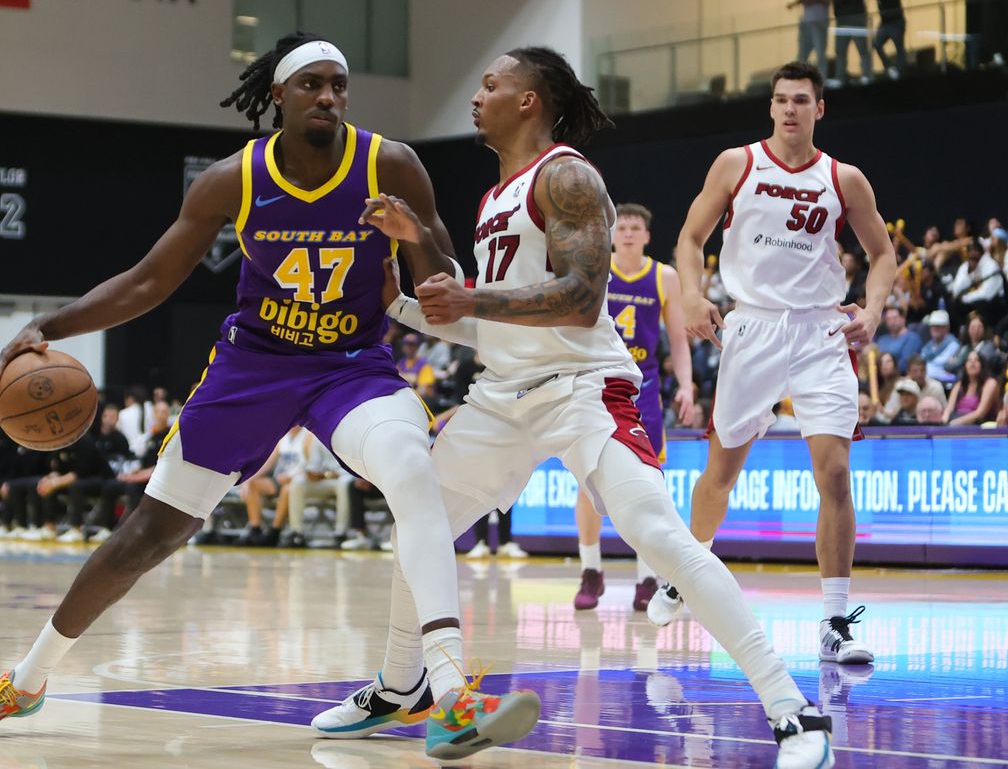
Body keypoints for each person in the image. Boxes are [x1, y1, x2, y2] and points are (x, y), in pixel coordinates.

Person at [0, 32, 538, 760]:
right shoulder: (232, 180)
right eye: (312, 84)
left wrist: (414, 240)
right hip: (253, 366)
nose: (329, 97)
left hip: (351, 365)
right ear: (278, 96)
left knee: (413, 469)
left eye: (339, 85)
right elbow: (147, 283)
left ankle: (448, 694)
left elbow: (445, 281)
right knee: (148, 535)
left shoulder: (390, 164)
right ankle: (24, 682)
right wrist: (45, 324)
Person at [313, 47, 834, 768]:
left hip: (584, 387)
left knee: (659, 534)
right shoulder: (495, 195)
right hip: (501, 397)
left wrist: (469, 296)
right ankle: (402, 686)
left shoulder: (566, 175)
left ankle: (792, 708)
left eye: (491, 84)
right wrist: (402, 302)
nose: (477, 95)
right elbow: (491, 321)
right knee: (419, 520)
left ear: (528, 101)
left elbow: (581, 298)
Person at [652, 61, 895, 672]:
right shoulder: (737, 164)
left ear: (819, 109)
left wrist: (874, 306)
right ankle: (685, 567)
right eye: (781, 100)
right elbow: (689, 237)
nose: (790, 109)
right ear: (771, 108)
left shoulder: (845, 179)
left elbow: (883, 253)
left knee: (835, 474)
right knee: (722, 472)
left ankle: (835, 623)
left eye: (802, 100)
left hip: (820, 331)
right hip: (752, 326)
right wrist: (690, 293)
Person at [571, 203, 696, 612]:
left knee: (647, 484)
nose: (626, 233)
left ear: (646, 235)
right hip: (594, 381)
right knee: (587, 481)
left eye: (634, 227)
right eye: (620, 226)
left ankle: (646, 576)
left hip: (642, 387)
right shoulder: (594, 265)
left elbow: (677, 339)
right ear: (611, 234)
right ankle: (591, 570)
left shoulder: (664, 276)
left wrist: (687, 386)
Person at [826, 0, 874, 87]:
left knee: (862, 48)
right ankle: (840, 78)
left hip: (857, 17)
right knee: (840, 51)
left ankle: (866, 76)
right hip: (841, 19)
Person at [788, 0, 832, 73]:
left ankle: (822, 80)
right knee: (802, 53)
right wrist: (795, 3)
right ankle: (800, 77)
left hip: (819, 19)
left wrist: (813, 0)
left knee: (820, 52)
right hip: (806, 20)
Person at [867, 0, 907, 79]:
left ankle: (899, 71)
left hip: (896, 21)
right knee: (876, 44)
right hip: (884, 22)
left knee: (899, 46)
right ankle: (888, 66)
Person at [943, 350, 1002, 425]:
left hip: (980, 425)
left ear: (982, 365)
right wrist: (943, 423)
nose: (972, 363)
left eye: (976, 360)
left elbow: (980, 413)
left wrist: (955, 423)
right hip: (956, 422)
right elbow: (948, 409)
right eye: (969, 360)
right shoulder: (959, 385)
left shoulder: (990, 383)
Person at [873, 305, 920, 372]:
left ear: (903, 318)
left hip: (899, 377)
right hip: (879, 376)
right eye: (889, 319)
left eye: (895, 318)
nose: (892, 321)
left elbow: (905, 364)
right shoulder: (882, 339)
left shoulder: (912, 338)